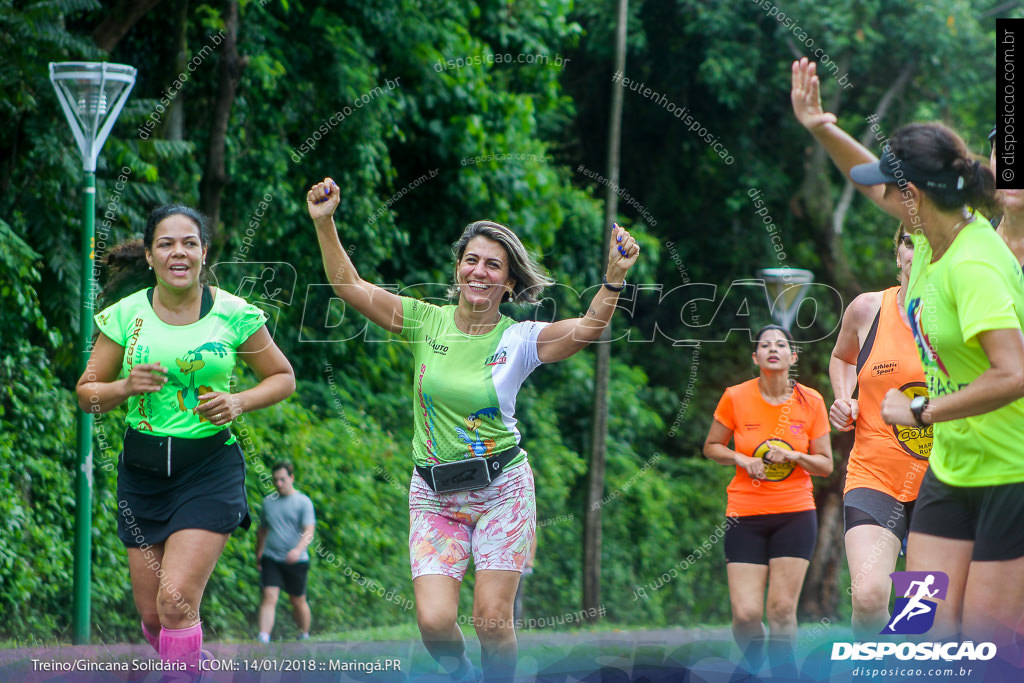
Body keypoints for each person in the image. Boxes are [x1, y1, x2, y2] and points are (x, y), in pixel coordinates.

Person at [306, 177, 640, 683]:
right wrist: (325, 222)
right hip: (434, 494)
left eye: (493, 265)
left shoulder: (521, 339)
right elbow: (348, 286)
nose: (479, 271)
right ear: (458, 269)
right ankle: (461, 673)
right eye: (472, 260)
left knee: (491, 620)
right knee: (435, 623)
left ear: (508, 282)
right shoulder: (425, 321)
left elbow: (589, 328)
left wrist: (613, 279)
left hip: (500, 489)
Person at [792, 57, 1024, 653]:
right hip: (952, 467)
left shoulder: (972, 264)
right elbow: (866, 180)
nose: (879, 195)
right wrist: (820, 127)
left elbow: (1014, 373)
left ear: (912, 196)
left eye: (890, 188)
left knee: (985, 642)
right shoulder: (926, 235)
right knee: (922, 628)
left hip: (1011, 473)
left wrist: (921, 414)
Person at [76, 205, 295, 677]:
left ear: (204, 253)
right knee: (154, 617)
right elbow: (87, 395)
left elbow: (282, 377)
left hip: (209, 469)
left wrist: (238, 402)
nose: (179, 252)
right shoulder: (125, 316)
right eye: (166, 243)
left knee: (175, 605)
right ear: (150, 257)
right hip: (142, 475)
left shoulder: (235, 314)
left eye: (189, 243)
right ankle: (199, 665)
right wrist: (123, 388)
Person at [703, 325, 833, 674]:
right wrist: (742, 459)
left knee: (780, 611)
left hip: (795, 514)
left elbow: (825, 465)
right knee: (746, 615)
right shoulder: (735, 397)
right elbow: (711, 447)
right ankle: (757, 666)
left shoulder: (812, 401)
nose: (772, 349)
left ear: (793, 356)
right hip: (745, 513)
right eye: (765, 344)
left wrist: (794, 457)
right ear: (755, 357)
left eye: (781, 344)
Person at [827, 223, 931, 638]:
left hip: (942, 484)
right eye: (909, 241)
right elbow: (842, 357)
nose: (916, 250)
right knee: (869, 599)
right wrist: (844, 398)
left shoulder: (965, 317)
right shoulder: (867, 309)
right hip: (875, 476)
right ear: (897, 253)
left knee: (919, 616)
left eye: (927, 241)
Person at [256, 461, 316, 643]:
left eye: (282, 479)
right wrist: (258, 553)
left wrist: (298, 550)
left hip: (296, 560)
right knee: (269, 596)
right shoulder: (268, 502)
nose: (279, 483)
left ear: (291, 478)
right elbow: (262, 531)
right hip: (271, 557)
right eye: (275, 480)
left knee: (297, 600)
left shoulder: (303, 502)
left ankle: (304, 634)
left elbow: (309, 531)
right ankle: (263, 637)